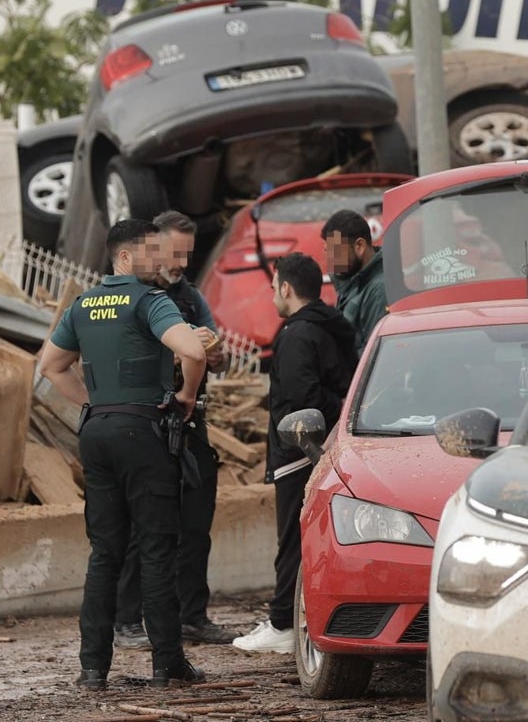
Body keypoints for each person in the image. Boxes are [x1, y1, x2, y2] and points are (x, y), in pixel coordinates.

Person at [39, 218, 208, 689]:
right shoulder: (149, 302)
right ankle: (167, 663)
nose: (160, 260)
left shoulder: (83, 304)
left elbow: (50, 366)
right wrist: (187, 397)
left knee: (105, 552)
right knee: (156, 549)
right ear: (126, 257)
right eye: (152, 252)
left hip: (97, 433)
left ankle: (93, 667)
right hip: (143, 433)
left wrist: (91, 402)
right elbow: (192, 350)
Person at [112, 210, 240, 649]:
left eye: (188, 253)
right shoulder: (130, 297)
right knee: (140, 524)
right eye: (174, 253)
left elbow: (215, 352)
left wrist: (215, 356)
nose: (182, 262)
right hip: (145, 424)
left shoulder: (189, 296)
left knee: (196, 522)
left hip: (189, 422)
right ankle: (127, 619)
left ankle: (192, 616)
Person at [233, 253, 358, 653]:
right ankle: (290, 617)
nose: (272, 296)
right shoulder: (334, 326)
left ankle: (283, 623)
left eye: (273, 288)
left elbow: (303, 397)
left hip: (298, 454)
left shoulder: (296, 335)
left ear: (286, 288)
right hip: (327, 447)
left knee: (291, 539)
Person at [322, 209, 386, 355]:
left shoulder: (379, 290)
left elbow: (374, 356)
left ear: (360, 246)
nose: (330, 259)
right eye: (327, 251)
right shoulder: (350, 281)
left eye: (335, 251)